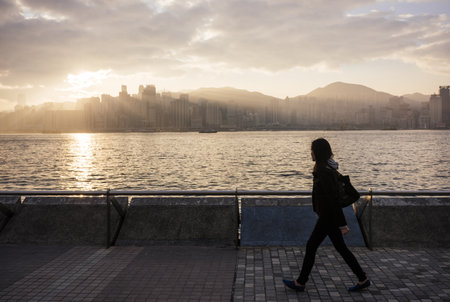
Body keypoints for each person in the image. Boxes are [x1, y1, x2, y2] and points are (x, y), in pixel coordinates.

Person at [283, 138, 370, 292]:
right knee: (340, 248)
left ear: (318, 151)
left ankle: (301, 282)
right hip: (327, 216)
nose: (310, 153)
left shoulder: (323, 171)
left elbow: (332, 199)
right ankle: (362, 278)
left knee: (312, 246)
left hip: (328, 217)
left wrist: (342, 224)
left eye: (312, 150)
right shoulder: (325, 168)